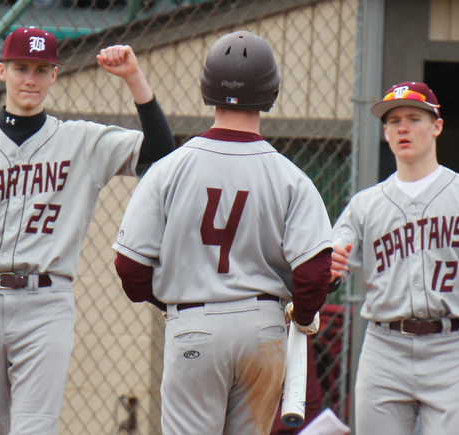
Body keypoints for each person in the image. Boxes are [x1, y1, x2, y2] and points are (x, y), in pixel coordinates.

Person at [0, 26, 174, 435]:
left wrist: (134, 79)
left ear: (54, 75)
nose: (30, 79)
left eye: (41, 69)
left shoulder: (81, 141)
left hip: (46, 302)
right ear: (2, 72)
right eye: (21, 68)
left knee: (34, 429)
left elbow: (161, 154)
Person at [112, 31, 334, 435]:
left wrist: (170, 303)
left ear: (206, 89)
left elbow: (129, 268)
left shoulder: (169, 168)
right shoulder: (291, 176)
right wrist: (301, 317)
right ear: (272, 94)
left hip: (194, 322)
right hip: (263, 329)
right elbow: (315, 274)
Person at [330, 81, 459, 435]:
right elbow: (332, 266)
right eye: (393, 120)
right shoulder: (365, 204)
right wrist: (329, 267)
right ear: (385, 132)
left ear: (437, 126)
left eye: (414, 118)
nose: (402, 127)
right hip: (384, 347)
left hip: (453, 346)